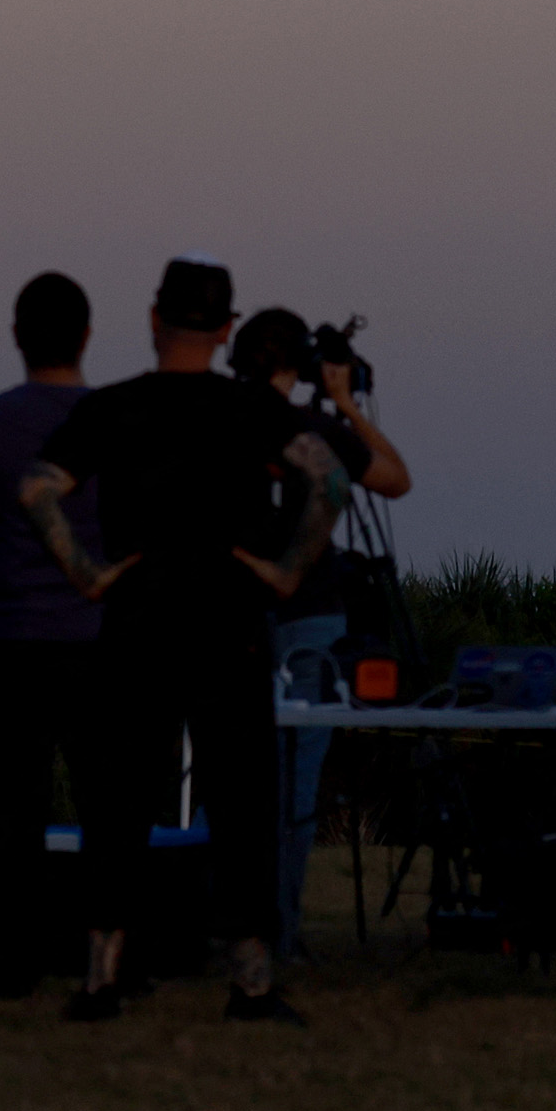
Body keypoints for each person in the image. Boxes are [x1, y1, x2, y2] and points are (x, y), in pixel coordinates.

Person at [23, 256, 345, 1026]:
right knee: (242, 802)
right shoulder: (247, 410)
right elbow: (328, 478)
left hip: (136, 619)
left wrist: (89, 573)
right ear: (227, 327)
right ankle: (253, 983)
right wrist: (287, 569)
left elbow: (37, 486)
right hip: (228, 619)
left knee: (119, 799)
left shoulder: (116, 407)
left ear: (153, 319)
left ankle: (102, 978)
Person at [224, 308, 413, 963]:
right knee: (297, 781)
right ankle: (280, 924)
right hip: (311, 614)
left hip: (234, 613)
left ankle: (234, 920)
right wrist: (343, 404)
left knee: (233, 774)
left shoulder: (223, 423)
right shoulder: (317, 429)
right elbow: (395, 478)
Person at [0, 273, 107, 1000]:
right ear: (86, 334)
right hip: (94, 637)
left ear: (17, 334)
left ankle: (17, 960)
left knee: (18, 806)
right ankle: (110, 956)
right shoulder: (111, 421)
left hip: (9, 637)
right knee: (107, 803)